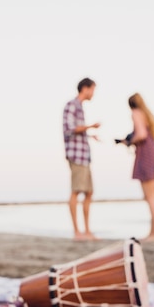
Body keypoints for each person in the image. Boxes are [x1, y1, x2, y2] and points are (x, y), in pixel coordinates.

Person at [116, 93, 154, 240]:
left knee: (150, 197)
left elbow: (141, 134)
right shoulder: (148, 115)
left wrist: (130, 141)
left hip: (147, 155)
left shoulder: (136, 113)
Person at [63, 77, 101, 240]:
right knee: (76, 191)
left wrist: (89, 135)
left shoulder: (79, 107)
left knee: (89, 192)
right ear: (85, 88)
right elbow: (70, 129)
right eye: (92, 89)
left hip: (84, 155)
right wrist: (90, 127)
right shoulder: (72, 105)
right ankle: (77, 232)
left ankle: (87, 230)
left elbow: (78, 130)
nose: (93, 93)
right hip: (76, 155)